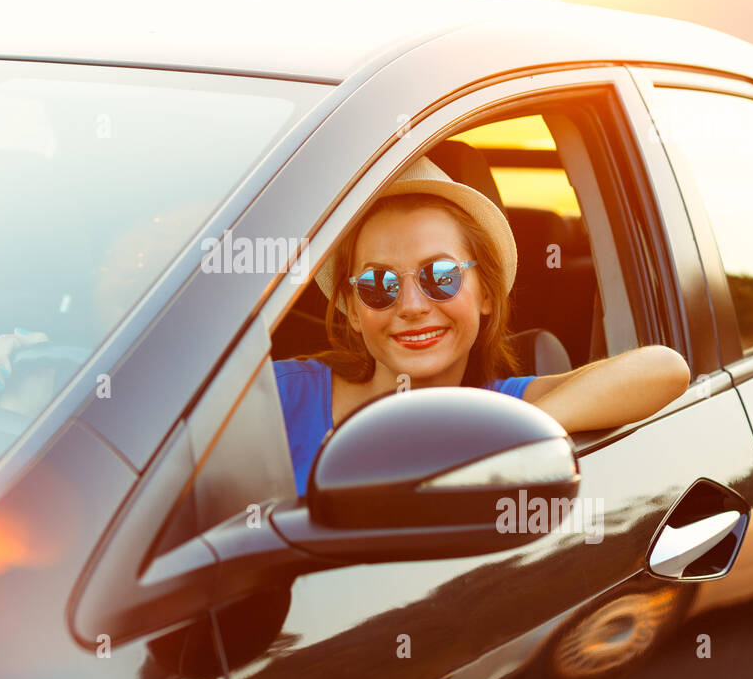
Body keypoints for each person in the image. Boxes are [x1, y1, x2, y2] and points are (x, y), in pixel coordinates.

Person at [276, 156, 691, 495]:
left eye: (440, 276)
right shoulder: (276, 398)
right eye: (378, 284)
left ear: (487, 294)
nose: (412, 306)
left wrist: (507, 436)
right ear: (351, 307)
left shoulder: (504, 409)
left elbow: (666, 368)